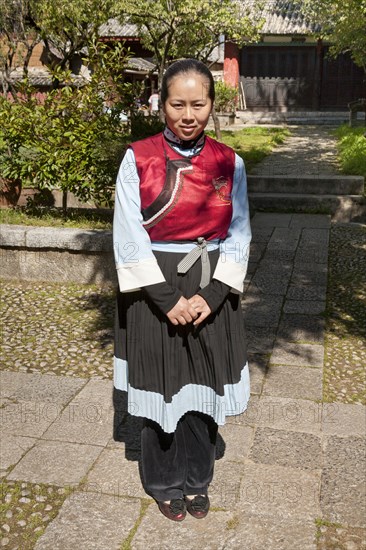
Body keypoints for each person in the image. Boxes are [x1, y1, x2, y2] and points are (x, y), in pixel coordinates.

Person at [113, 59, 251, 522]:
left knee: (203, 388)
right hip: (156, 288)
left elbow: (240, 233)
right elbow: (128, 235)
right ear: (161, 105)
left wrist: (211, 297)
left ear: (212, 105)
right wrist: (167, 299)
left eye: (198, 103)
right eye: (178, 104)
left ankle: (198, 479)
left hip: (211, 283)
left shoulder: (230, 162)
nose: (188, 114)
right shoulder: (138, 158)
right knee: (161, 387)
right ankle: (163, 481)